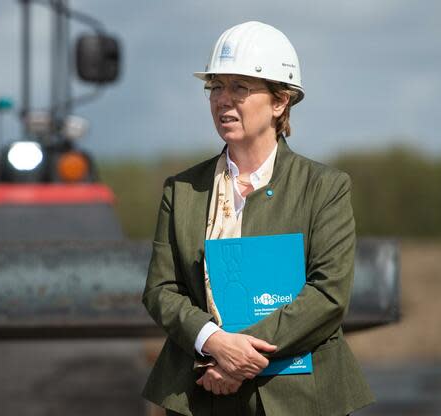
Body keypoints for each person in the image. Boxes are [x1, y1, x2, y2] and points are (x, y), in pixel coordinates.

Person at [141, 21, 374, 416]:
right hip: (202, 395)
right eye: (216, 87)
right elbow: (161, 290)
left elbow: (328, 295)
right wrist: (213, 343)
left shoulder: (325, 187)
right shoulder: (181, 190)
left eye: (240, 88)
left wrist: (239, 358)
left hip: (302, 398)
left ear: (280, 102)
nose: (222, 100)